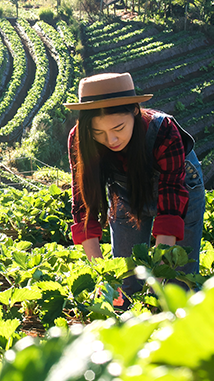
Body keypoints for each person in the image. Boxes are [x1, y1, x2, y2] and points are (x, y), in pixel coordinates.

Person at [66, 72, 205, 291]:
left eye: (118, 129)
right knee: (126, 281)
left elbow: (170, 208)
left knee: (178, 283)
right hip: (125, 193)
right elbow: (83, 206)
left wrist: (157, 278)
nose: (110, 140)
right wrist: (102, 274)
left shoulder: (164, 131)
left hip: (180, 193)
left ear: (134, 111)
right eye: (98, 133)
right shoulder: (80, 140)